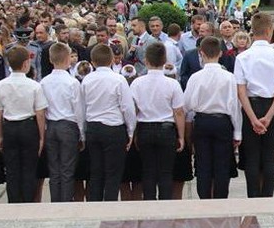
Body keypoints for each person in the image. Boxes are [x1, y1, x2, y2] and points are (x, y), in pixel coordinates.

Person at [234, 12, 274, 198]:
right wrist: (269, 116)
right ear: (269, 31)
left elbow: (241, 91)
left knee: (251, 157)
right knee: (269, 157)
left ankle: (253, 197)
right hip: (271, 106)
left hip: (250, 105)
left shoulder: (242, 57)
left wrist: (252, 118)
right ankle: (267, 197)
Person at [183, 36, 241, 199]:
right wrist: (237, 132)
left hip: (202, 121)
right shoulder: (229, 77)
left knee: (203, 164)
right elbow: (234, 106)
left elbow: (186, 104)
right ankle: (220, 200)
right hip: (222, 122)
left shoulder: (196, 77)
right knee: (222, 165)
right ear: (220, 53)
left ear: (201, 53)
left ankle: (204, 200)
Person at [130, 42, 186, 200]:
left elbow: (133, 110)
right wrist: (181, 136)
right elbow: (179, 112)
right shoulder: (173, 83)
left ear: (146, 61)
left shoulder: (137, 83)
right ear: (165, 61)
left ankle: (149, 205)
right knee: (166, 171)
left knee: (147, 170)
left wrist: (132, 132)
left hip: (145, 128)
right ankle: (165, 206)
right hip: (166, 129)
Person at [0, 46, 47, 203]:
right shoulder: (34, 85)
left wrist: (0, 135)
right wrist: (42, 136)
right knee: (29, 168)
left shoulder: (0, 85)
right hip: (28, 127)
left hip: (9, 127)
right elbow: (40, 113)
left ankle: (14, 203)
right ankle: (28, 202)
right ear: (25, 64)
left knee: (12, 169)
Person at [82, 43, 137, 202]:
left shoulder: (87, 80)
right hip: (113, 129)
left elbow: (82, 106)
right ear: (112, 60)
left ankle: (95, 206)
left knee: (96, 171)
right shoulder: (118, 79)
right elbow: (127, 107)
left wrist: (83, 131)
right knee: (113, 173)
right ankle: (110, 206)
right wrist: (131, 130)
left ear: (92, 61)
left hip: (93, 127)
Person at [41, 42, 84, 202]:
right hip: (68, 125)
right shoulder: (72, 82)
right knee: (67, 168)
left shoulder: (44, 81)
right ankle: (65, 202)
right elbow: (78, 109)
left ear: (51, 60)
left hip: (51, 125)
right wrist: (81, 133)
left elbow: (42, 108)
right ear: (68, 59)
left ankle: (56, 202)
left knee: (54, 169)